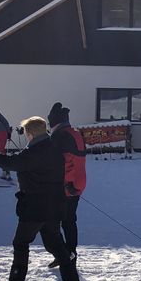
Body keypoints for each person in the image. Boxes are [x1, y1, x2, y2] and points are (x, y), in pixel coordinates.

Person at [0, 116, 82, 281]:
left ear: (30, 134)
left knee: (21, 243)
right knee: (54, 242)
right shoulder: (53, 149)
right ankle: (72, 280)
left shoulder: (34, 152)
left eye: (25, 133)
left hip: (36, 207)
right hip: (55, 204)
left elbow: (10, 163)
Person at [46, 103, 88, 269]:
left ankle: (65, 254)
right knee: (69, 220)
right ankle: (69, 253)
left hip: (67, 184)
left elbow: (56, 162)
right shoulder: (75, 133)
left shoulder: (59, 136)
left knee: (55, 222)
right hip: (79, 181)